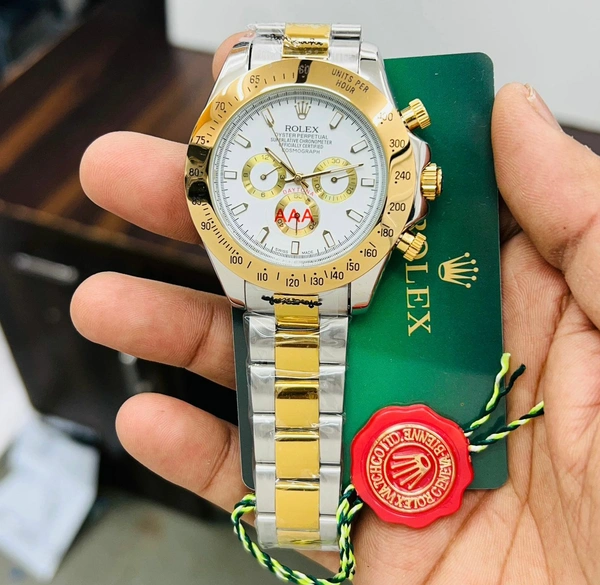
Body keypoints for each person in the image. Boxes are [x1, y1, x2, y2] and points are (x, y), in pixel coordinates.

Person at [70, 33, 600, 584]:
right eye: (280, 175)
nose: (300, 185)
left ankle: (302, 513)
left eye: (320, 178)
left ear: (417, 184)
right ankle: (299, 515)